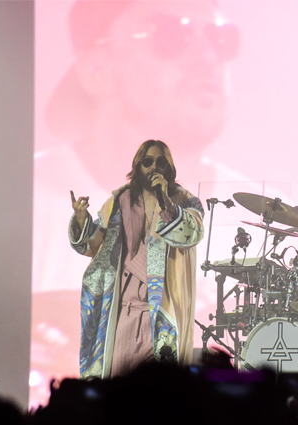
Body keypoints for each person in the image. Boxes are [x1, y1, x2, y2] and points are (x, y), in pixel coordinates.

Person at [31, 0, 242, 402]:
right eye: (172, 35)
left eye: (221, 39)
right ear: (96, 70)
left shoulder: (261, 215)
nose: (207, 57)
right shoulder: (22, 203)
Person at [70, 140, 204, 378]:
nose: (154, 167)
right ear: (138, 165)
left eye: (161, 162)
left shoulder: (185, 201)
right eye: (148, 162)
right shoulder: (118, 201)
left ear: (169, 167)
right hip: (124, 310)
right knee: (120, 384)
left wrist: (166, 202)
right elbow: (96, 246)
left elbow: (191, 233)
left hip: (162, 311)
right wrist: (82, 221)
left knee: (160, 386)